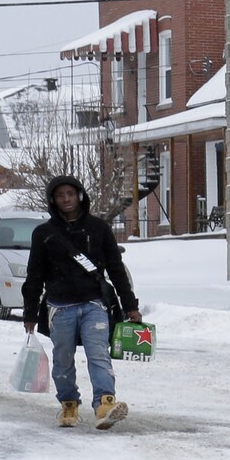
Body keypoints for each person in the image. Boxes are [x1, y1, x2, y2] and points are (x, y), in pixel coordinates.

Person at [20, 175, 141, 429]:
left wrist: (131, 306)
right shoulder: (44, 234)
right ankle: (69, 405)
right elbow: (34, 275)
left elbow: (116, 269)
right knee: (63, 357)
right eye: (60, 195)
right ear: (53, 200)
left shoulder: (99, 229)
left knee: (98, 354)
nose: (66, 199)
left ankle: (105, 403)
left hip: (94, 304)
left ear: (80, 196)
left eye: (71, 194)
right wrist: (30, 313)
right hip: (60, 307)